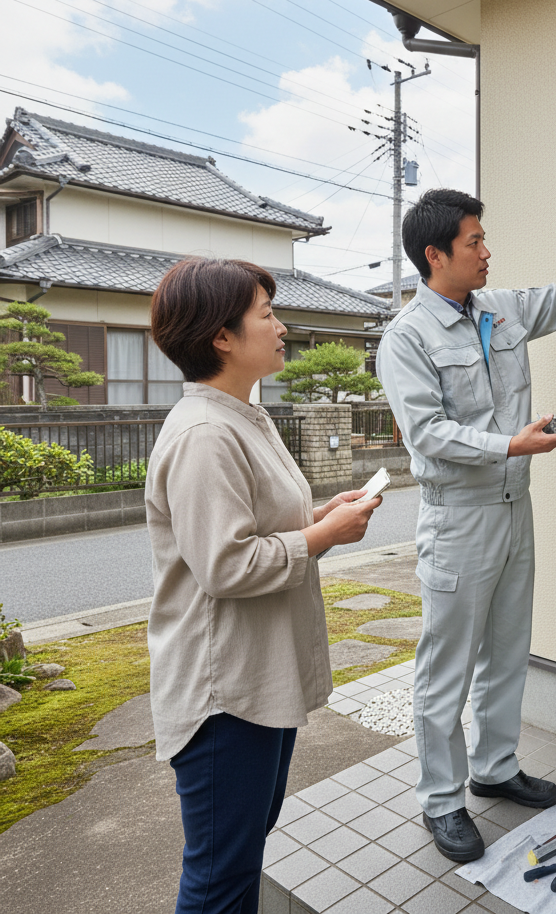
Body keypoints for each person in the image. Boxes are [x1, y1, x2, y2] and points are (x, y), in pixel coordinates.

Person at [376, 187, 556, 861]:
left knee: (508, 649)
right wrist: (512, 444)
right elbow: (427, 434)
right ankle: (442, 801)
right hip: (459, 519)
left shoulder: (499, 310)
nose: (486, 252)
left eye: (482, 239)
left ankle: (495, 768)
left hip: (514, 508)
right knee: (445, 666)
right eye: (474, 241)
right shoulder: (406, 339)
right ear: (434, 254)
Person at [145, 257, 382, 914]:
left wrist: (318, 517)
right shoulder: (203, 434)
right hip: (224, 695)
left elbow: (255, 528)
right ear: (222, 336)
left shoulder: (241, 417)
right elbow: (224, 565)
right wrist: (322, 537)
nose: (281, 327)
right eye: (267, 314)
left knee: (241, 852)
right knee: (219, 877)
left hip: (256, 677)